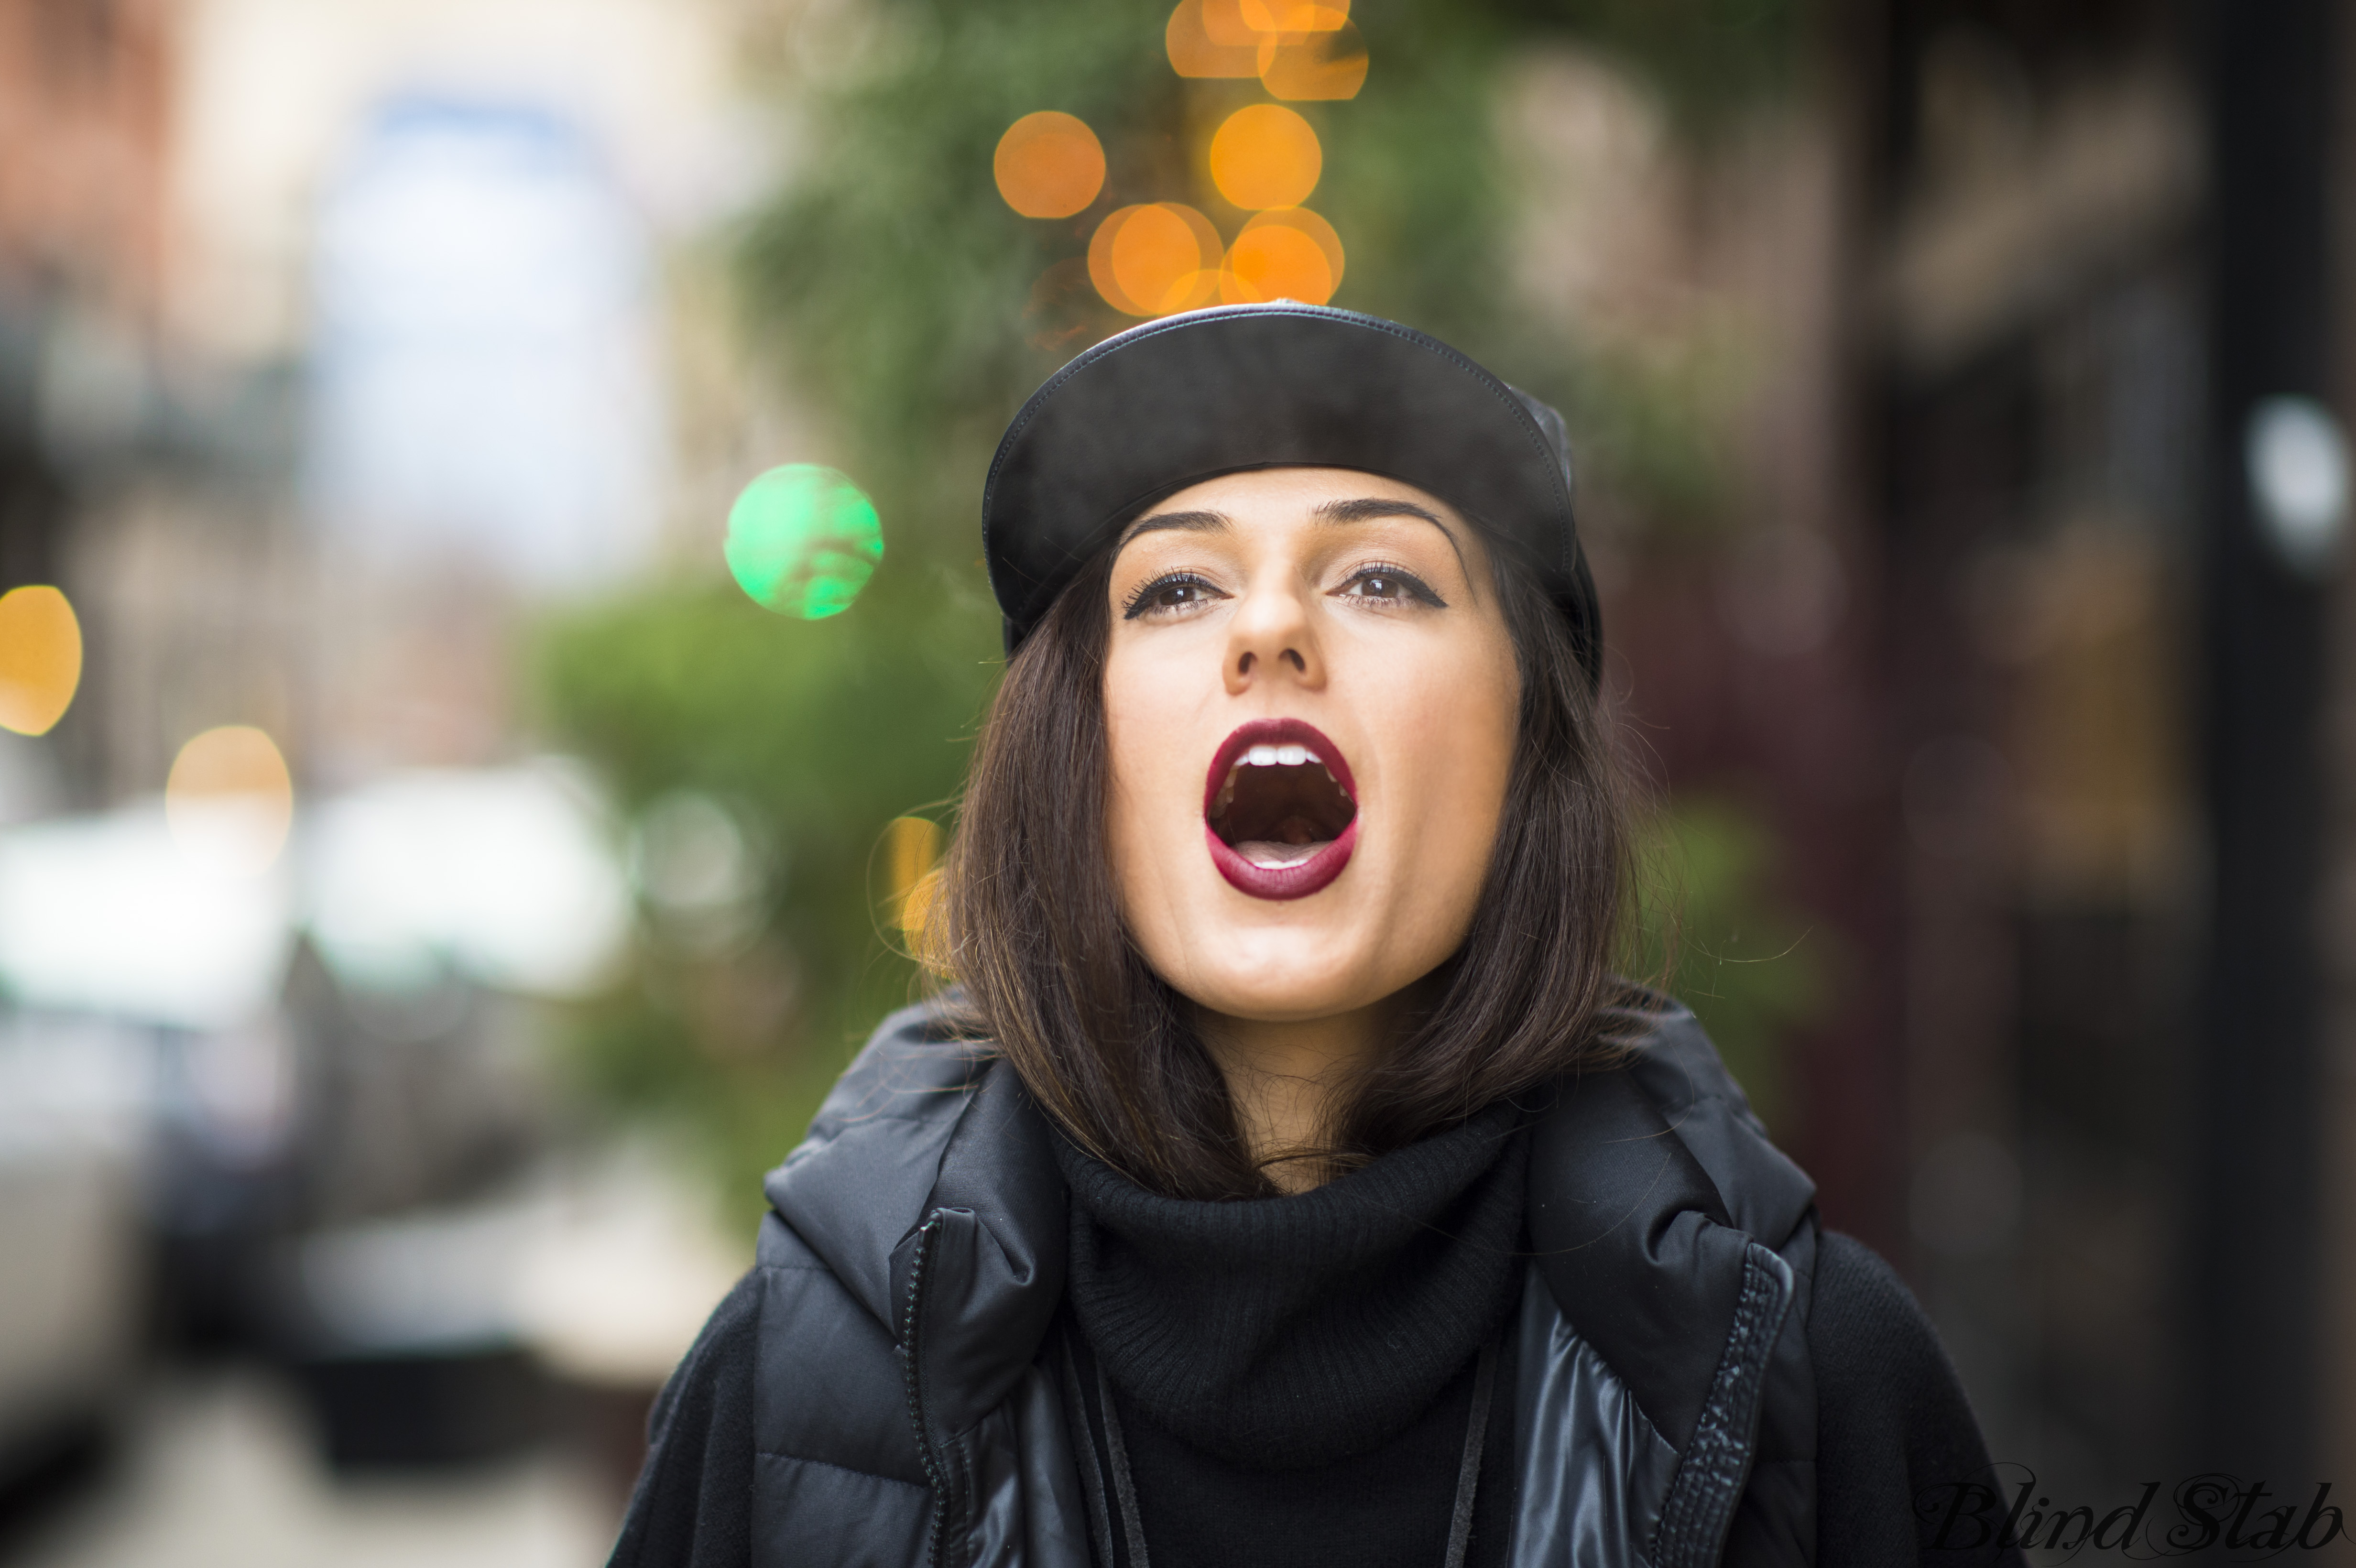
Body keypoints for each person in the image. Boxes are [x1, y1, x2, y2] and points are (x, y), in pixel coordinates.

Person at [609, 304, 2020, 1568]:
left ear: (1526, 749)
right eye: (1173, 589)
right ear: (1072, 762)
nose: (1271, 625)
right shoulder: (796, 1393)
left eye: (1383, 579)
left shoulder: (1812, 1377)